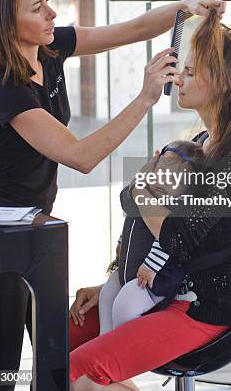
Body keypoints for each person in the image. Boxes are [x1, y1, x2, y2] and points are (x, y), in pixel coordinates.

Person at [0, 0, 225, 391]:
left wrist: (184, 10)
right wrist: (145, 98)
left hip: (38, 229)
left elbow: (132, 28)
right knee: (1, 368)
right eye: (38, 8)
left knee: (53, 358)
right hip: (2, 235)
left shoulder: (51, 48)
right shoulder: (3, 88)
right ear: (5, 23)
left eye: (48, 1)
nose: (52, 14)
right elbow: (80, 156)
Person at [69, 10, 231, 391]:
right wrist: (116, 281)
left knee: (75, 373)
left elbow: (177, 235)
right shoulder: (197, 145)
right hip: (166, 288)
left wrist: (141, 191)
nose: (180, 77)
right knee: (64, 339)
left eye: (193, 72)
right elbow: (133, 209)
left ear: (225, 83)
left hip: (206, 308)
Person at [95, 140, 206, 334]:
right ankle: (104, 337)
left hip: (150, 278)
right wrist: (122, 240)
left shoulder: (176, 207)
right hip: (129, 269)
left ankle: (122, 346)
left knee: (125, 306)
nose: (163, 183)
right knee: (107, 295)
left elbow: (169, 240)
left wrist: (151, 266)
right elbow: (132, 222)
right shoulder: (148, 196)